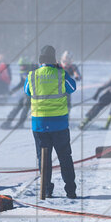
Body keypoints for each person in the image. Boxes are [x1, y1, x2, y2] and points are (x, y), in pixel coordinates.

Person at [25, 45, 77, 199]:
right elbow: (72, 87)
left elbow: (27, 91)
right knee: (65, 158)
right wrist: (61, 70)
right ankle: (70, 190)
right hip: (59, 124)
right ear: (54, 59)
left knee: (44, 159)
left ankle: (46, 189)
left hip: (39, 125)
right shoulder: (60, 74)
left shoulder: (32, 75)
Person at [0, 58, 33, 129]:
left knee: (25, 107)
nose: (21, 67)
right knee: (18, 106)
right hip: (27, 93)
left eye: (23, 66)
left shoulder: (33, 72)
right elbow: (21, 83)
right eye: (20, 66)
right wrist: (12, 91)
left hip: (33, 93)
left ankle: (20, 123)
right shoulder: (23, 72)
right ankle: (8, 121)